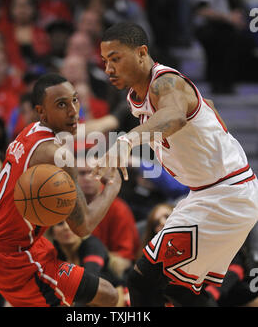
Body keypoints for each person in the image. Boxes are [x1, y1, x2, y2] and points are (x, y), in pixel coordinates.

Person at [93, 22, 258, 307]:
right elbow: (206, 105)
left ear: (142, 53)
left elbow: (175, 117)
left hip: (225, 194)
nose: (108, 68)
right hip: (211, 193)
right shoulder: (138, 97)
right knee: (175, 289)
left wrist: (125, 142)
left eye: (116, 59)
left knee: (143, 280)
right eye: (105, 61)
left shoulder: (164, 82)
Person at [0, 73, 121, 307]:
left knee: (101, 295)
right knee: (108, 296)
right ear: (42, 111)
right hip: (10, 257)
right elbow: (83, 225)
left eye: (75, 100)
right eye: (62, 104)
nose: (73, 111)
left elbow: (77, 131)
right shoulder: (57, 155)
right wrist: (112, 185)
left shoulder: (29, 131)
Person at [77, 163, 140, 280]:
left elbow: (125, 257)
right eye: (81, 173)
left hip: (107, 272)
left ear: (102, 177)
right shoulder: (66, 205)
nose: (87, 178)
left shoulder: (119, 209)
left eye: (92, 173)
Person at [46, 220, 127, 306]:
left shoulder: (92, 245)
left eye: (70, 223)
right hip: (86, 300)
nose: (66, 227)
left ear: (80, 229)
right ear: (52, 233)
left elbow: (90, 277)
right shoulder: (53, 255)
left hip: (119, 295)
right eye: (60, 224)